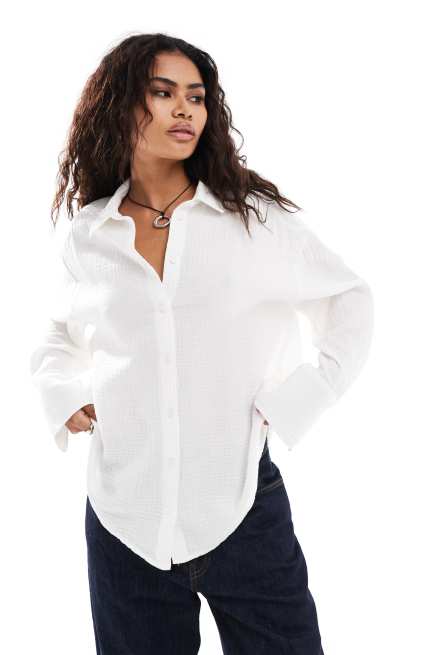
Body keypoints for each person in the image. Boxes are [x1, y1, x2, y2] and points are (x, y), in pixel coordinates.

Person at [29, 32, 374, 655]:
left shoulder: (251, 219)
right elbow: (60, 329)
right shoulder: (90, 233)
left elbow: (349, 298)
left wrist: (300, 399)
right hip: (124, 520)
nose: (185, 109)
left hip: (240, 504)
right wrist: (63, 394)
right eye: (163, 93)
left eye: (196, 96)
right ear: (120, 105)